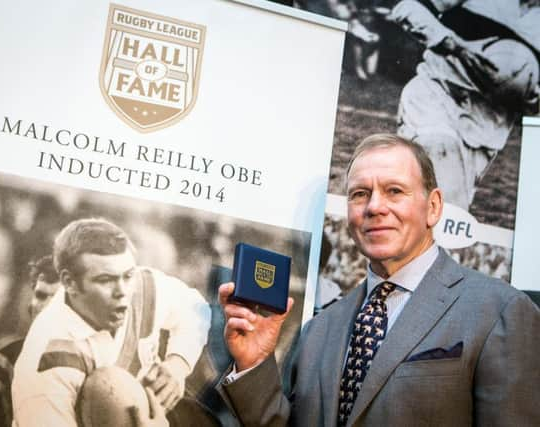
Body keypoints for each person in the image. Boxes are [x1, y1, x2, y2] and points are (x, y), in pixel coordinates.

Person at [218, 133, 540, 426]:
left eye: (394, 191)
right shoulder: (319, 329)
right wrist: (254, 365)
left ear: (433, 207)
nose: (374, 206)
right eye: (360, 194)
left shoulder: (499, 311)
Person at [12, 218, 212, 426]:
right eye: (105, 280)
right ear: (70, 283)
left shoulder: (143, 287)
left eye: (127, 276)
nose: (122, 292)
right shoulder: (44, 363)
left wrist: (177, 364)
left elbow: (196, 309)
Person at [390, 0, 540, 210]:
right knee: (445, 202)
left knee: (446, 214)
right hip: (437, 96)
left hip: (485, 133)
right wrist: (454, 44)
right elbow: (407, 7)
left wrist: (529, 97)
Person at [0, 255, 60, 427]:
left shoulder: (98, 360)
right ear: (30, 304)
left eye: (57, 298)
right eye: (41, 295)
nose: (46, 306)